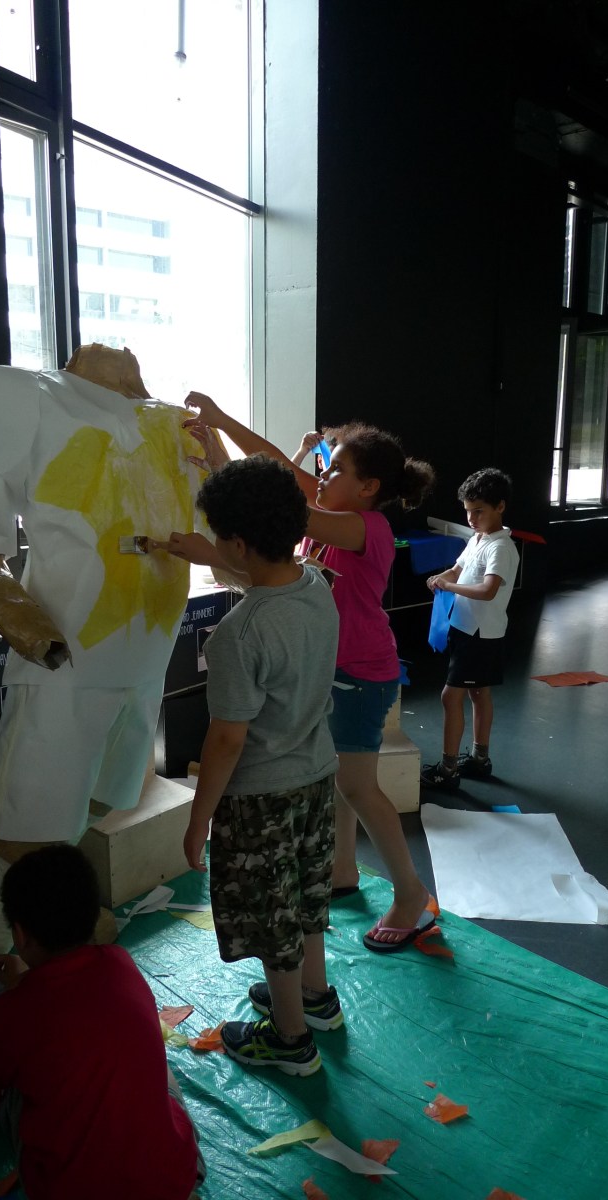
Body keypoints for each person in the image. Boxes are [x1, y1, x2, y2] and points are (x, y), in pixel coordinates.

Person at [0, 344, 214, 969]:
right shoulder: (25, 396)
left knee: (96, 798)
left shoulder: (173, 425)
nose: (121, 353)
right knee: (25, 822)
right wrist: (20, 618)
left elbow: (222, 535)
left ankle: (51, 925)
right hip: (66, 665)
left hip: (141, 663)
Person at [175, 396, 437, 954]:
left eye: (335, 468)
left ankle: (411, 894)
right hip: (335, 668)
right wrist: (220, 443)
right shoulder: (329, 518)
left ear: (368, 487)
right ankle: (343, 870)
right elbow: (277, 474)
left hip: (362, 675)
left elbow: (275, 489)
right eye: (325, 465)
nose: (322, 474)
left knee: (359, 786)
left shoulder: (367, 529)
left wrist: (223, 431)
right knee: (338, 776)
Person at [179, 455, 340, 1076]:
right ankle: (314, 998)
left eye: (219, 539)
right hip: (316, 776)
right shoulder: (316, 585)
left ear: (239, 545)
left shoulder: (237, 635)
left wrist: (200, 819)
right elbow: (266, 583)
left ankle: (290, 1039)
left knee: (273, 918)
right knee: (305, 895)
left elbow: (226, 740)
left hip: (259, 798)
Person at [0, 844, 204, 1200]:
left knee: (16, 1088)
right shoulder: (120, 962)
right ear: (93, 915)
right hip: (175, 1180)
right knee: (156, 1072)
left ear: (19, 935)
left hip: (71, 1189)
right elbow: (69, 1000)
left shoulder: (2, 1018)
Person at [419, 468, 519, 790]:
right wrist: (442, 577)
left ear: (500, 507)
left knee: (451, 698)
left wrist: (450, 586)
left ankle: (448, 771)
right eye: (468, 512)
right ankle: (479, 759)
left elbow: (488, 590)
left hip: (480, 634)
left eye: (479, 511)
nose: (472, 519)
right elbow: (458, 568)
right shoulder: (478, 539)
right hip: (465, 628)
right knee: (478, 693)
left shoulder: (500, 547)